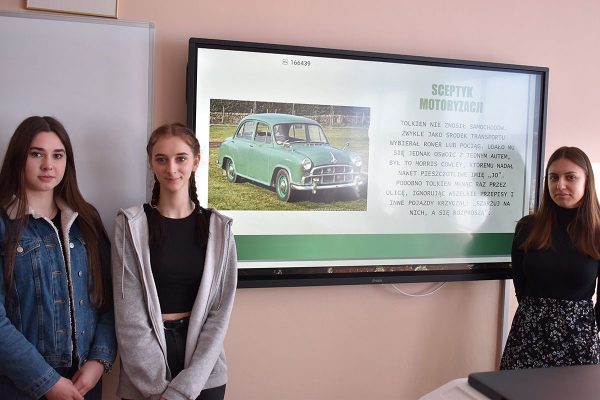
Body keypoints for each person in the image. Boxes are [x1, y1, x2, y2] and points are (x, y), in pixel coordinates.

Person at [112, 123, 237, 400]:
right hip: (145, 372)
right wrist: (158, 389)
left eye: (181, 158)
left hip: (203, 372)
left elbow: (219, 314)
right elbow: (129, 316)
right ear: (151, 163)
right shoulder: (130, 225)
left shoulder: (219, 228)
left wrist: (184, 389)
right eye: (161, 159)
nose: (171, 169)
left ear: (196, 161)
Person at [0, 116, 116, 399]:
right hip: (19, 385)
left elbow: (111, 301)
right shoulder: (4, 223)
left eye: (58, 155)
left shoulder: (86, 219)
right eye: (36, 154)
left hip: (84, 382)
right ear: (18, 157)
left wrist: (98, 361)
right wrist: (46, 381)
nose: (48, 165)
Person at [500, 146, 600, 370]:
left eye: (570, 177)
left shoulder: (597, 232)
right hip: (527, 335)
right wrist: (537, 317)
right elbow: (521, 286)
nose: (560, 185)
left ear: (587, 181)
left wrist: (587, 331)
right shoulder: (528, 227)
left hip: (579, 340)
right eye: (553, 177)